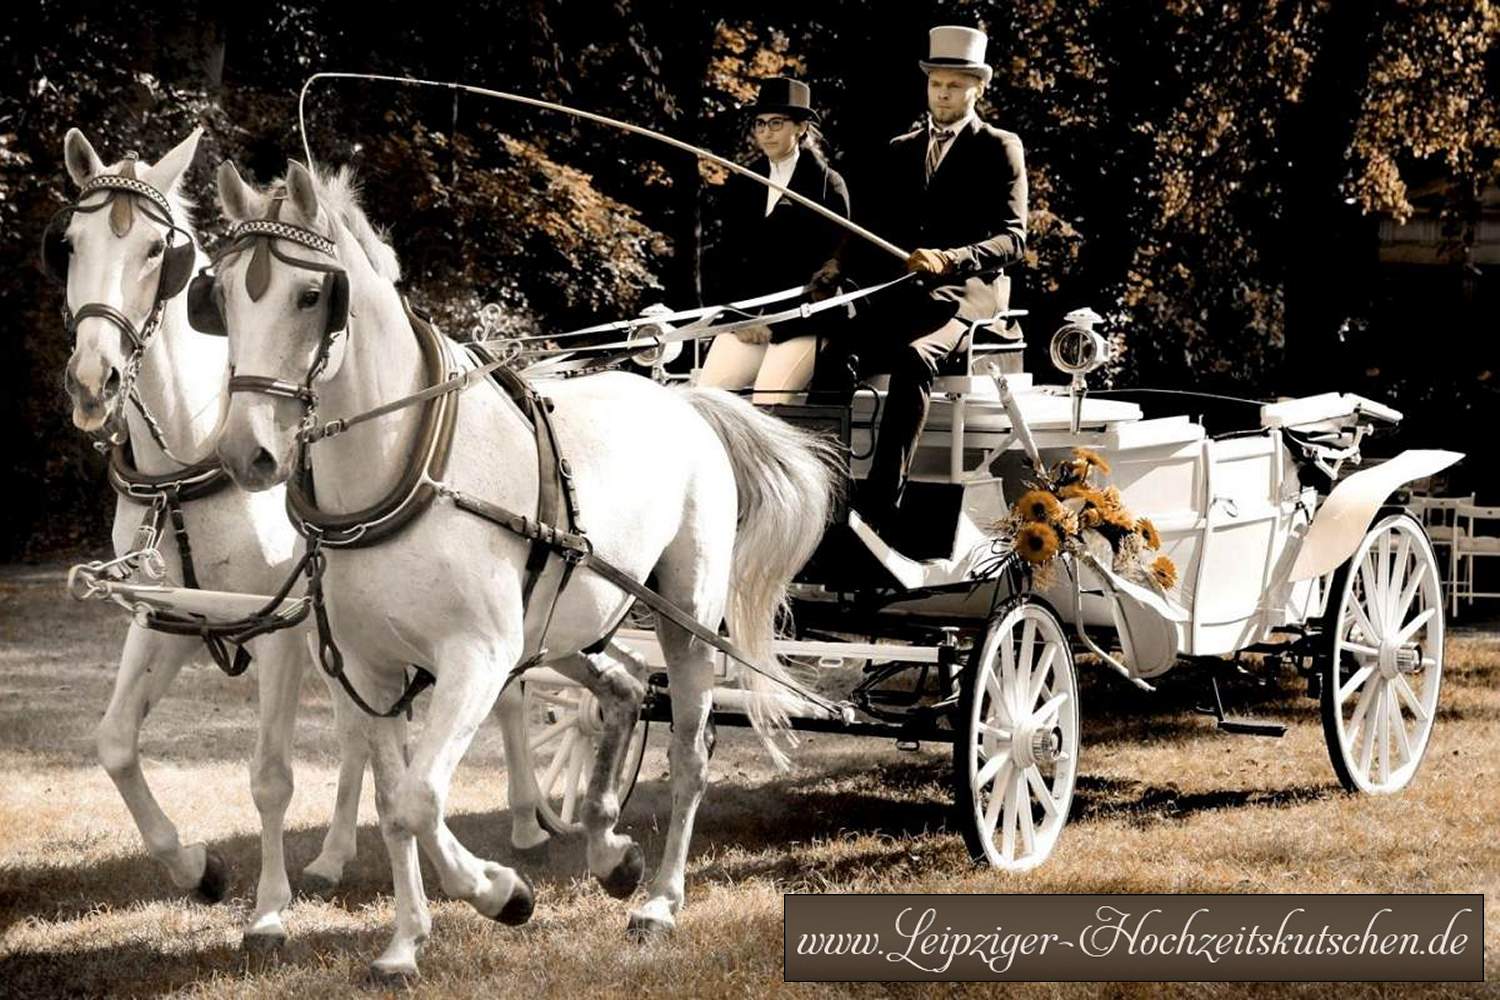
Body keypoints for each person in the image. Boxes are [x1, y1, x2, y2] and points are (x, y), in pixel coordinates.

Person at [811, 25, 1028, 536]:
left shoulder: (1000, 147)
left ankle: (883, 505)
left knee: (913, 360)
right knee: (834, 356)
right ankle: (823, 496)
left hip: (962, 299)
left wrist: (952, 259)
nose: (943, 94)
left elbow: (1013, 239)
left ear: (978, 89)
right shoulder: (900, 149)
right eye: (936, 84)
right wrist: (836, 266)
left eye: (955, 85)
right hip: (901, 295)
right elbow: (870, 230)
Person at [699, 77, 852, 404]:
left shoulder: (828, 185)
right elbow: (725, 259)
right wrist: (740, 319)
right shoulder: (743, 183)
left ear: (800, 127)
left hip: (804, 321)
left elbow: (837, 262)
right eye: (760, 124)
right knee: (706, 399)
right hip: (749, 320)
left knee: (767, 402)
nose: (765, 132)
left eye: (776, 124)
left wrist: (777, 325)